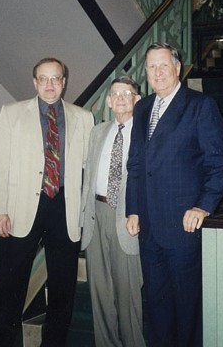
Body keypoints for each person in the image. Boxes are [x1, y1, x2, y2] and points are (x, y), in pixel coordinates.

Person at [125, 42, 223, 347]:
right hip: (148, 226)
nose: (157, 72)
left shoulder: (200, 106)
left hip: (183, 226)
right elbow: (136, 163)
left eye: (163, 65)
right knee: (157, 308)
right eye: (151, 66)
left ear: (177, 68)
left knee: (187, 307)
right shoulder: (142, 108)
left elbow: (219, 164)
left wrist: (203, 206)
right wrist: (133, 209)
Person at [0, 57, 94, 346]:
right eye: (43, 79)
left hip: (64, 208)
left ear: (64, 82)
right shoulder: (11, 113)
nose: (49, 84)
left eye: (55, 78)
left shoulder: (83, 118)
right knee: (8, 285)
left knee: (63, 287)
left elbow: (89, 166)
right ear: (34, 82)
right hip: (20, 208)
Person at [80, 75, 146, 347]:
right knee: (100, 292)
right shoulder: (98, 132)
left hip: (128, 216)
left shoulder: (146, 132)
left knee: (128, 293)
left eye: (126, 93)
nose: (120, 98)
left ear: (137, 99)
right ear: (108, 101)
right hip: (95, 214)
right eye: (115, 93)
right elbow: (88, 177)